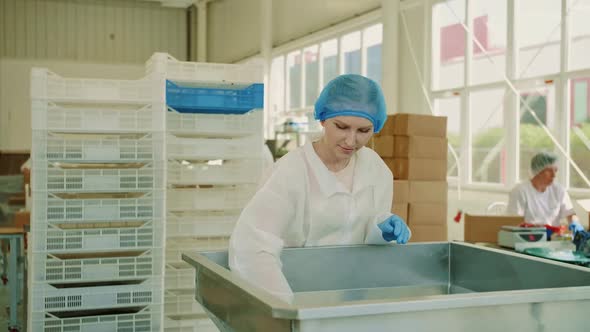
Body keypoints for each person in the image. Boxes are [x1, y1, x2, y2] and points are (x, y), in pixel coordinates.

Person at [228, 74, 411, 302]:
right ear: (323, 119)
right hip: (295, 294)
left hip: (352, 297)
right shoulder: (291, 172)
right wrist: (286, 310)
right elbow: (253, 248)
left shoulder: (376, 169)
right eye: (342, 127)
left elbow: (361, 234)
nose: (351, 141)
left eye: (364, 131)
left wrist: (380, 228)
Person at [507, 151, 583, 236]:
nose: (554, 175)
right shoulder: (520, 191)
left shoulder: (559, 190)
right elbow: (514, 222)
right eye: (549, 171)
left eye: (555, 170)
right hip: (528, 238)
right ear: (538, 171)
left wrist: (575, 223)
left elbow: (570, 214)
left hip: (553, 239)